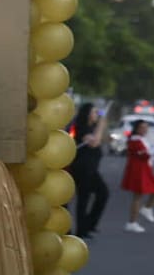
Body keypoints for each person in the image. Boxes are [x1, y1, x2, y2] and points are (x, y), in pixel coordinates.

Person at [69, 102, 108, 238]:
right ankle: (81, 230)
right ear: (87, 114)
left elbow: (102, 140)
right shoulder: (82, 127)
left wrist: (101, 126)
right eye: (94, 112)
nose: (96, 115)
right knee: (83, 199)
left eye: (97, 112)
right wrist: (102, 125)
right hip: (82, 168)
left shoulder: (93, 127)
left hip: (92, 169)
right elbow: (94, 142)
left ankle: (88, 225)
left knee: (103, 193)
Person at [120, 119, 154, 232]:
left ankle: (146, 209)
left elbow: (147, 154)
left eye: (146, 127)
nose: (145, 130)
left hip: (144, 169)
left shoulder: (141, 139)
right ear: (136, 129)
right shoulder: (135, 140)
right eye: (142, 127)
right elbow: (144, 154)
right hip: (138, 170)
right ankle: (132, 222)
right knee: (138, 196)